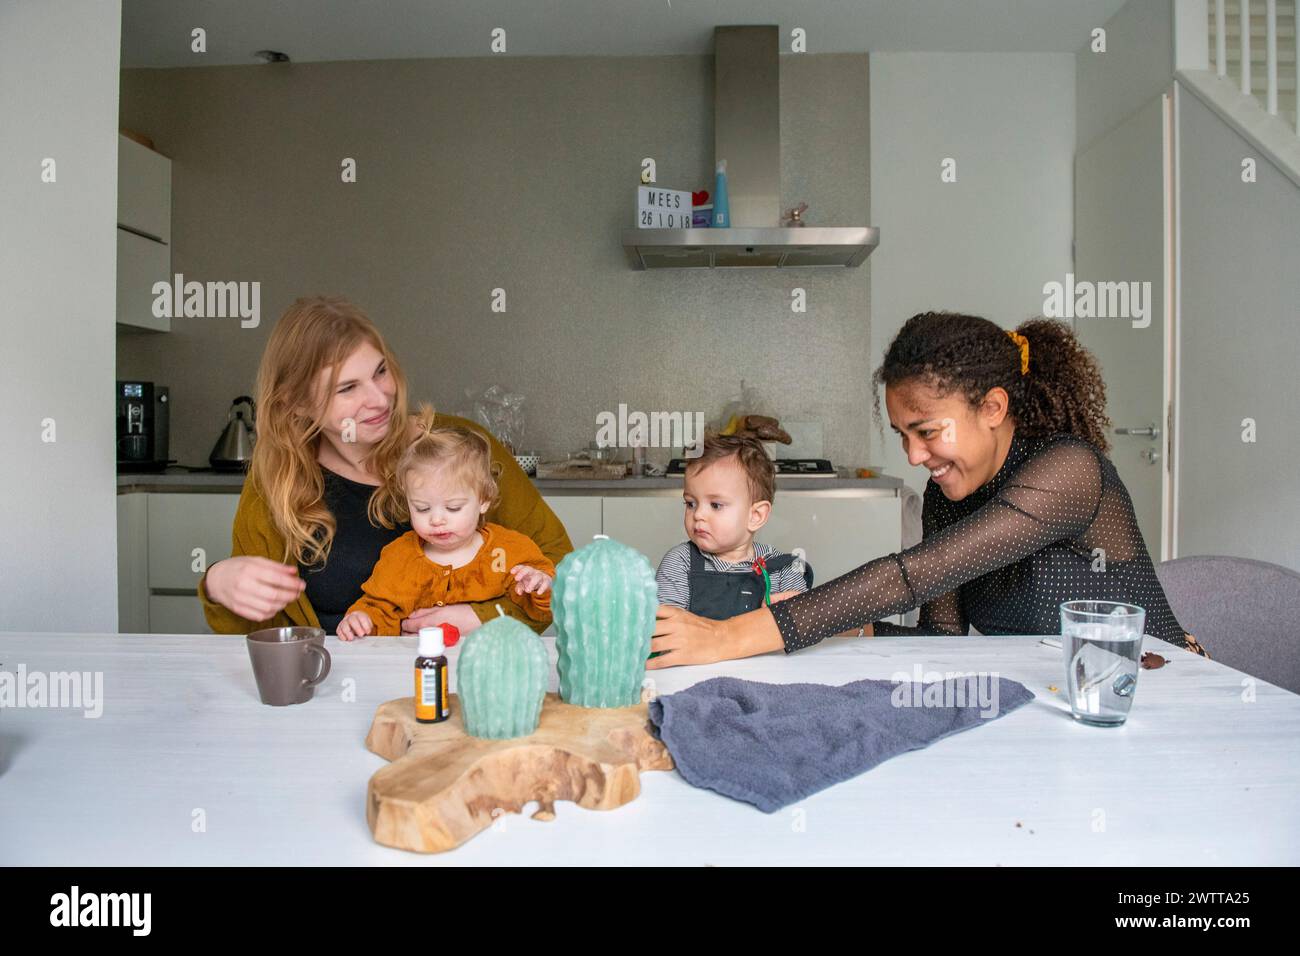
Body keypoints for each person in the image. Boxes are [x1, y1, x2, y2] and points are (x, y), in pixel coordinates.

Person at [650, 312, 1208, 667]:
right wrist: (857, 625)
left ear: (992, 407)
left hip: (1154, 687)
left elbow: (912, 575)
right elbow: (943, 636)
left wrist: (729, 638)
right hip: (1058, 698)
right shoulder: (949, 494)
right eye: (902, 435)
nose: (914, 456)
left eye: (927, 431)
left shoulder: (1068, 471)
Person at [198, 295, 572, 636]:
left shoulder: (463, 449)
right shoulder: (277, 480)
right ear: (296, 403)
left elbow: (559, 562)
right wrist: (218, 582)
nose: (380, 399)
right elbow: (256, 633)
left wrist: (486, 617)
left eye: (380, 371)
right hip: (329, 688)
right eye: (347, 388)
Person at [337, 415, 555, 639]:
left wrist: (541, 584)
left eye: (453, 508)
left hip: (489, 665)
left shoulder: (509, 550)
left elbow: (542, 608)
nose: (437, 520)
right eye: (422, 509)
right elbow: (379, 608)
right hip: (420, 666)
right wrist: (362, 620)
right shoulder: (400, 556)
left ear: (483, 500)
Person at [655, 433, 811, 619]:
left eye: (715, 505)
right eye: (691, 503)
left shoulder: (782, 569)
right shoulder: (680, 563)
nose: (698, 514)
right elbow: (666, 630)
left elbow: (803, 627)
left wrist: (794, 612)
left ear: (756, 515)